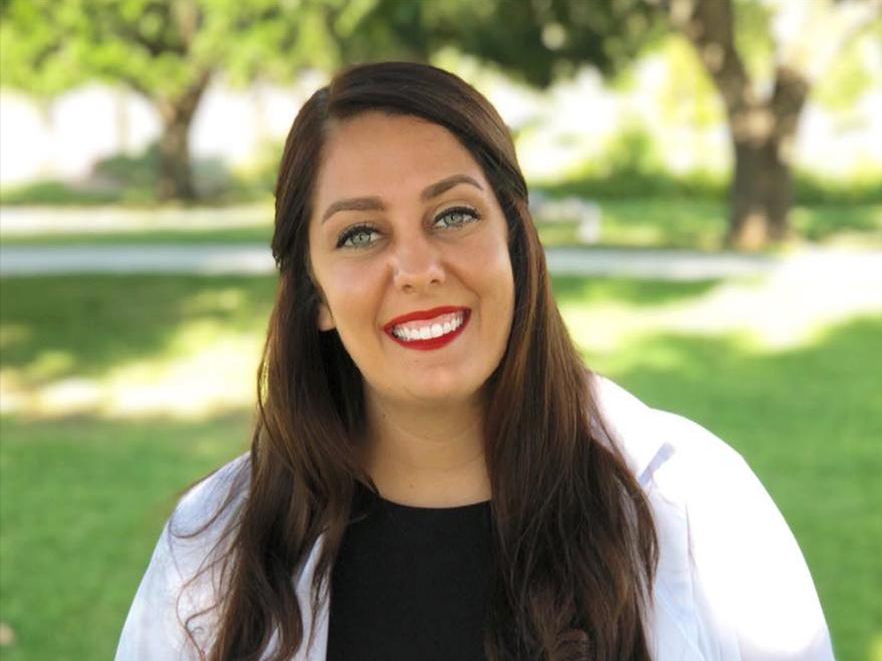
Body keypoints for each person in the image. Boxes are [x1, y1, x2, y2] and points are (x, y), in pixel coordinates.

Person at [115, 61, 834, 661]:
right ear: (315, 296)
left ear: (516, 244)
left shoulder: (699, 505)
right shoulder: (210, 551)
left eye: (453, 215)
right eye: (360, 234)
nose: (417, 267)